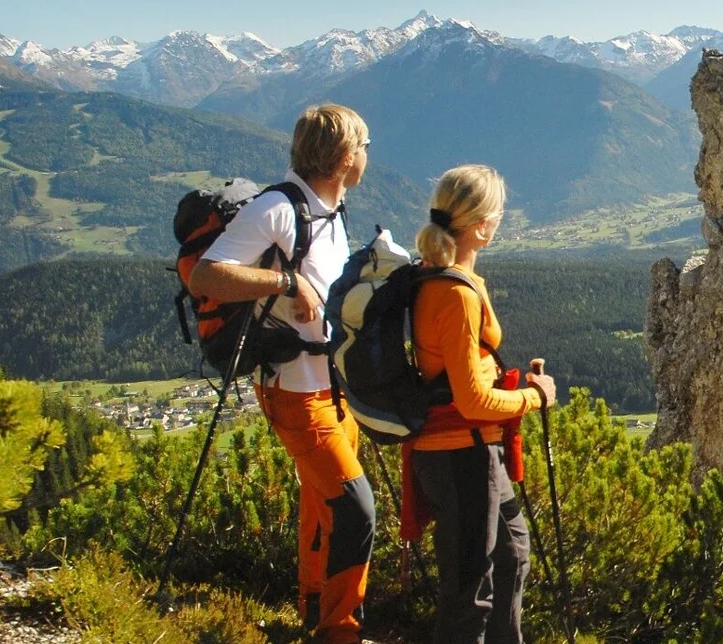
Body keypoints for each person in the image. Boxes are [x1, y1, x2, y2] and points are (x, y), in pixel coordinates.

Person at [189, 104, 375, 644]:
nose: (366, 157)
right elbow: (208, 276)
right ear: (344, 158)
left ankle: (314, 607)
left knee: (324, 503)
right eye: (363, 147)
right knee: (357, 508)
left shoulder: (328, 210)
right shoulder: (279, 208)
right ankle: (339, 631)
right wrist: (287, 285)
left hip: (329, 385)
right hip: (294, 389)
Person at [408, 164, 555, 643]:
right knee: (470, 586)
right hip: (463, 453)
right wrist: (533, 397)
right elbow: (471, 400)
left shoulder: (441, 278)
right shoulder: (454, 293)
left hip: (469, 450)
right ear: (480, 224)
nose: (499, 223)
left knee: (512, 553)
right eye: (497, 215)